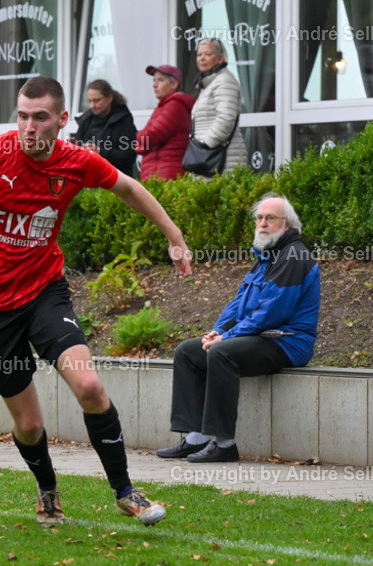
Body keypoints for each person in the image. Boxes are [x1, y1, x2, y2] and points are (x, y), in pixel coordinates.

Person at [0, 76, 192, 527]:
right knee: (28, 423)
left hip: (44, 292)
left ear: (61, 120)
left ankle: (126, 492)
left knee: (90, 388)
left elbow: (128, 187)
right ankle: (47, 490)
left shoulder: (76, 161)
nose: (28, 127)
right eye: (22, 116)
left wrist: (173, 234)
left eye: (39, 118)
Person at [157, 194, 320, 463]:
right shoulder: (267, 256)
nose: (263, 223)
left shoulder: (294, 256)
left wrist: (226, 338)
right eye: (259, 218)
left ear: (287, 225)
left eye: (270, 218)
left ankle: (224, 445)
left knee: (222, 353)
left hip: (288, 342)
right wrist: (217, 331)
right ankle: (195, 438)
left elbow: (273, 311)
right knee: (188, 351)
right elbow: (239, 304)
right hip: (261, 337)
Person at [189, 38, 247, 175]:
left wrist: (204, 146)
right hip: (210, 157)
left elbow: (226, 119)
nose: (202, 58)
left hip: (223, 159)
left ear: (220, 58)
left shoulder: (225, 81)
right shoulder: (209, 84)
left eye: (208, 54)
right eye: (199, 54)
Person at [135, 65, 195, 181]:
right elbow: (145, 142)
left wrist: (138, 136)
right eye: (154, 80)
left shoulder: (175, 105)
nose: (154, 84)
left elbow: (149, 137)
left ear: (174, 84)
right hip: (157, 173)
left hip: (165, 175)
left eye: (160, 80)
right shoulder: (164, 106)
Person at [71, 79, 138, 176]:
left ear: (109, 98)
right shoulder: (86, 119)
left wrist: (99, 151)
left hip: (117, 180)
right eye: (89, 101)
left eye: (97, 100)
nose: (92, 106)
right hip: (89, 180)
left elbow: (129, 156)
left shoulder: (123, 120)